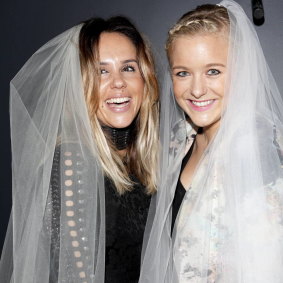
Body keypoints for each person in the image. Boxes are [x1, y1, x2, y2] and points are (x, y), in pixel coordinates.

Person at [0, 16, 159, 283]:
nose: (118, 82)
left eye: (129, 68)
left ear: (145, 79)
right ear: (79, 85)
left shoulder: (147, 161)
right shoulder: (71, 162)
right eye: (101, 71)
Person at [139, 1, 283, 282]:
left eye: (213, 71)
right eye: (183, 73)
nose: (196, 89)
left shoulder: (256, 148)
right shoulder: (180, 139)